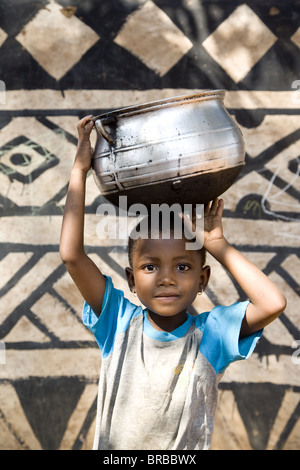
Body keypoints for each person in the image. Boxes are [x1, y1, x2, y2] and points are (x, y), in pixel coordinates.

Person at [60, 115, 287, 450]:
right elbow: (71, 255)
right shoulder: (117, 322)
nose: (166, 278)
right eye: (150, 267)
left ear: (202, 279)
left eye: (183, 266)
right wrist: (79, 171)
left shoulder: (211, 335)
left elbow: (272, 303)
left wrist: (217, 246)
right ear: (131, 280)